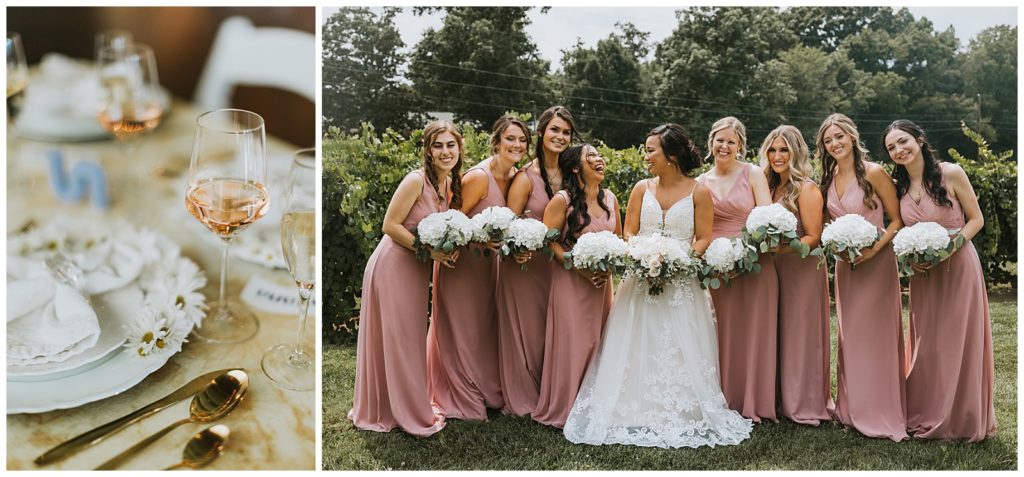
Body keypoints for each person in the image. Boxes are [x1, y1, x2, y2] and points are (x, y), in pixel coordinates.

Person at [564, 123, 752, 447]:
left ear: (672, 155)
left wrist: (677, 260)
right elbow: (630, 231)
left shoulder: (699, 191)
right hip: (640, 279)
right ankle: (631, 411)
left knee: (680, 345)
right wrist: (644, 256)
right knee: (637, 339)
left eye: (651, 149)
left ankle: (685, 410)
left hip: (681, 283)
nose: (646, 155)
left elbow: (704, 236)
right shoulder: (641, 188)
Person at [883, 119, 996, 441]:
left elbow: (976, 220)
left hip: (958, 264)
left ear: (919, 140)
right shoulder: (899, 185)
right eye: (891, 147)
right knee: (928, 343)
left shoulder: (952, 173)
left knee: (959, 339)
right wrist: (909, 256)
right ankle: (927, 410)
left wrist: (951, 248)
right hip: (923, 274)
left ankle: (962, 417)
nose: (898, 150)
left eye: (903, 141)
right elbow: (899, 227)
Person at [348, 120, 462, 436]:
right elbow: (390, 225)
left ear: (459, 148)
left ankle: (401, 402)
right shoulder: (416, 180)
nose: (445, 151)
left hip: (416, 269)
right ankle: (393, 410)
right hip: (393, 266)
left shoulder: (448, 184)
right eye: (438, 145)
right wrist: (428, 251)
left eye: (450, 145)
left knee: (408, 338)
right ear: (428, 149)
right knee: (396, 338)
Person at [427, 115, 530, 420]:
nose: (517, 145)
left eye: (523, 140)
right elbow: (452, 222)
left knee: (482, 329)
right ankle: (461, 393)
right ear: (496, 141)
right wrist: (481, 241)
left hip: (488, 266)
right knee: (464, 328)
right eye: (510, 138)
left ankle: (484, 389)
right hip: (462, 265)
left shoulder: (514, 177)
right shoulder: (479, 177)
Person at [817, 113, 907, 441]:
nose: (835, 144)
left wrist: (872, 250)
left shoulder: (874, 173)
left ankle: (881, 410)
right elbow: (827, 225)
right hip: (846, 266)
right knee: (850, 336)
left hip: (877, 262)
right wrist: (837, 249)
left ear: (852, 136)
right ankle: (851, 409)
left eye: (839, 136)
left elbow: (896, 220)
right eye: (828, 140)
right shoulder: (826, 180)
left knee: (877, 337)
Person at [696, 116, 778, 423]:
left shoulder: (753, 173)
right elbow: (699, 229)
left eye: (731, 141)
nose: (724, 146)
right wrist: (712, 261)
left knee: (754, 331)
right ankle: (722, 398)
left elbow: (765, 220)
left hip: (754, 264)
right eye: (720, 140)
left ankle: (754, 400)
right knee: (721, 333)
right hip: (718, 268)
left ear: (740, 145)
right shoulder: (701, 182)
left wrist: (745, 254)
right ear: (711, 142)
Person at [533, 143, 620, 428]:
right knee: (573, 343)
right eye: (590, 156)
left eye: (599, 155)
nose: (599, 160)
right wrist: (576, 266)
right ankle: (566, 407)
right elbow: (550, 241)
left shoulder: (611, 199)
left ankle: (593, 403)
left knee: (598, 341)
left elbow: (618, 242)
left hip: (601, 284)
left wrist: (610, 264)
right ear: (574, 167)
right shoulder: (562, 200)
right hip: (571, 280)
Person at [498, 106, 576, 416]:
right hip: (526, 266)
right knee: (528, 331)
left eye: (566, 132)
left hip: (558, 264)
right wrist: (517, 247)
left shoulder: (572, 174)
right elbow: (508, 224)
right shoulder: (525, 177)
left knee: (552, 330)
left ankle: (553, 392)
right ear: (541, 133)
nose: (560, 136)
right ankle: (524, 394)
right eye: (555, 130)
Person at [759, 125, 832, 426]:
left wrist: (780, 249)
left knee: (799, 335)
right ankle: (775, 396)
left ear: (796, 152)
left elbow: (814, 237)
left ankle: (802, 401)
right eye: (773, 150)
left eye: (784, 150)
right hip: (772, 270)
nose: (778, 156)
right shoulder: (766, 186)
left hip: (801, 270)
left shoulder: (807, 188)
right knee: (775, 331)